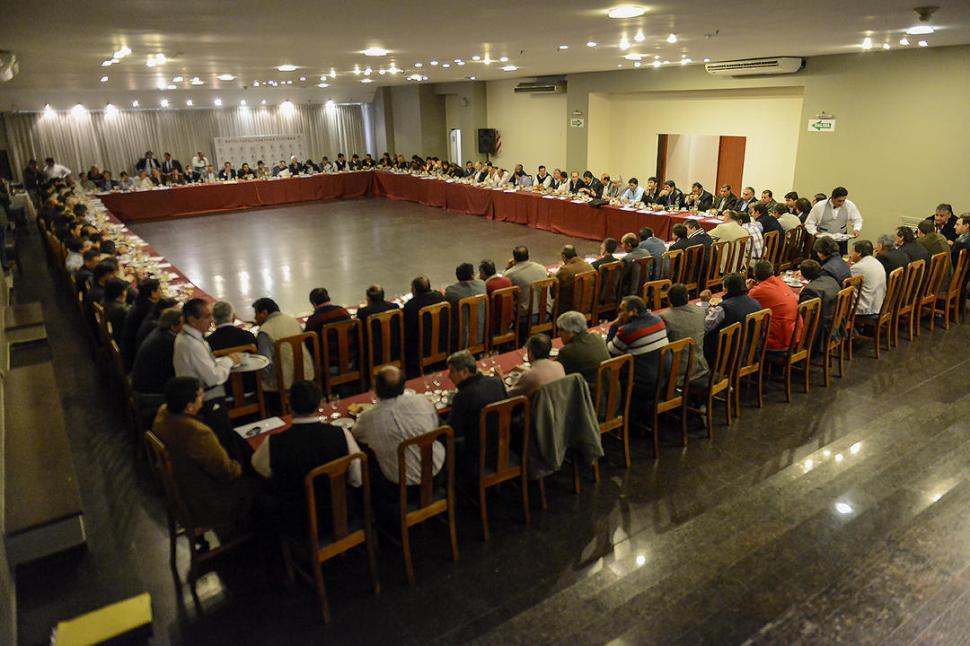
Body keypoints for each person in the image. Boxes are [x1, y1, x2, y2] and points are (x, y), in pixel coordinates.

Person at [252, 380, 361, 536]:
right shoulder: (341, 434)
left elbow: (259, 468)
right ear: (319, 405)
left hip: (297, 523)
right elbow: (357, 478)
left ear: (289, 406)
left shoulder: (274, 442)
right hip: (341, 515)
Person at [152, 377, 259, 536]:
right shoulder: (196, 433)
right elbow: (227, 472)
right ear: (189, 407)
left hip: (182, 490)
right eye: (200, 395)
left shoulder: (163, 416)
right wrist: (241, 465)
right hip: (205, 502)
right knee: (259, 481)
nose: (203, 398)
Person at [351, 366, 443, 499]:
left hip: (402, 487)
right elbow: (435, 425)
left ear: (375, 389)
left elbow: (356, 435)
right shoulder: (421, 401)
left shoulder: (368, 419)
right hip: (437, 473)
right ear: (404, 386)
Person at [173, 299, 245, 459]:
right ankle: (231, 465)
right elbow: (214, 377)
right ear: (192, 320)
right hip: (203, 399)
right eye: (206, 316)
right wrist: (229, 360)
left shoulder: (188, 337)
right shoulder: (191, 344)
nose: (211, 320)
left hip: (198, 392)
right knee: (224, 442)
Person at [445, 350, 507, 478]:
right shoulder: (496, 382)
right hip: (503, 445)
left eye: (452, 372)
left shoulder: (462, 397)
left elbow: (453, 430)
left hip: (477, 456)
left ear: (464, 372)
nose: (449, 376)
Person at [607, 296, 669, 408]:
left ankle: (617, 413)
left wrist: (614, 326)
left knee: (609, 376)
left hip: (643, 386)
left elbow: (611, 351)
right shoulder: (658, 320)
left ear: (633, 312)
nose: (619, 314)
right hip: (664, 379)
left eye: (622, 310)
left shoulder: (628, 330)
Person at [252, 297, 314, 394]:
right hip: (306, 373)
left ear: (264, 313)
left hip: (282, 382)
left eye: (256, 314)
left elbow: (265, 363)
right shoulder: (293, 321)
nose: (255, 318)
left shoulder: (265, 331)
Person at [699, 273, 762, 366]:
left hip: (726, 358)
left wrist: (704, 304)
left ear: (726, 289)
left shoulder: (723, 308)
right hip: (750, 354)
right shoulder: (756, 303)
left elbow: (703, 327)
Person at [747, 261, 799, 354]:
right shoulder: (781, 282)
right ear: (772, 272)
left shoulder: (757, 291)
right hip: (794, 335)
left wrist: (747, 289)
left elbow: (744, 304)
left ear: (754, 275)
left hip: (776, 342)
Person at [659, 284, 708, 380]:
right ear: (688, 297)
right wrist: (705, 303)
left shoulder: (664, 317)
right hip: (700, 366)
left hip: (678, 372)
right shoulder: (700, 311)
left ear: (669, 300)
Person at [403, 275, 447, 376]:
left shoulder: (411, 306)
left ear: (414, 289)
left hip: (420, 349)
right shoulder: (440, 297)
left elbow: (408, 332)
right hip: (441, 343)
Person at [131, 307, 182, 395]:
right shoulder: (167, 341)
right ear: (173, 327)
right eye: (183, 323)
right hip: (149, 391)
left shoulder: (159, 331)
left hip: (141, 383)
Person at [500, 333, 565, 398]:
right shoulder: (559, 366)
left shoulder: (528, 376)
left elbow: (508, 395)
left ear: (530, 353)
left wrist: (500, 378)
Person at [556, 311, 610, 387]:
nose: (558, 334)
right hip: (612, 388)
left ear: (573, 332)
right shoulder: (597, 337)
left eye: (562, 330)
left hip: (590, 392)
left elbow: (557, 375)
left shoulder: (567, 351)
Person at [444, 262, 487, 349]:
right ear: (472, 275)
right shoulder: (482, 284)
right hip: (482, 334)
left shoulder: (450, 291)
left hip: (460, 340)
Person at [122, 278, 161, 368]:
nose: (161, 292)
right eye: (159, 289)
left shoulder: (139, 300)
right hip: (134, 353)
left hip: (128, 345)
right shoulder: (148, 308)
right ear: (153, 293)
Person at [799, 259, 840, 341]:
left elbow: (804, 317)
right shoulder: (831, 280)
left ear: (804, 275)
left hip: (819, 332)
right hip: (835, 323)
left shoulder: (810, 291)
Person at [505, 246, 549, 319]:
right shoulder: (542, 268)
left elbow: (504, 283)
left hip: (526, 317)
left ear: (514, 259)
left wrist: (507, 268)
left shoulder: (510, 274)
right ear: (528, 256)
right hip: (546, 313)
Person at [848, 240, 887, 319]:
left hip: (865, 310)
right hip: (879, 305)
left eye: (852, 251)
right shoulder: (876, 262)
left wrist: (848, 265)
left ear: (859, 253)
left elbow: (845, 284)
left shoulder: (858, 267)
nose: (850, 254)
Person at [554, 245, 595, 314]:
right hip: (588, 306)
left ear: (564, 257)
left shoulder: (565, 270)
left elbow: (553, 291)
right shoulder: (590, 267)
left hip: (569, 310)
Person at [102, 278, 130, 343]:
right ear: (122, 293)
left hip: (113, 336)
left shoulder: (104, 301)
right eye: (125, 290)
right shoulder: (121, 310)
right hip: (119, 340)